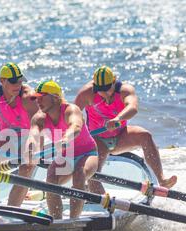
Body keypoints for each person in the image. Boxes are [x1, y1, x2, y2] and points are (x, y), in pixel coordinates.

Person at [75, 66, 177, 194]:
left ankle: (162, 180)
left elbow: (132, 107)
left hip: (120, 136)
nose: (104, 94)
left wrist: (118, 119)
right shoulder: (86, 93)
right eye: (100, 91)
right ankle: (99, 199)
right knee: (94, 173)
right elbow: (72, 114)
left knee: (145, 136)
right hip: (97, 139)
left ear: (114, 81)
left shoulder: (125, 90)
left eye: (107, 89)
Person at [26, 80, 98, 219]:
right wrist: (30, 148)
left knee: (79, 174)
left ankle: (73, 221)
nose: (38, 101)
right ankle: (57, 222)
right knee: (51, 179)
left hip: (88, 153)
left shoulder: (71, 110)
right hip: (66, 156)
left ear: (55, 97)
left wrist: (66, 138)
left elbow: (76, 126)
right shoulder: (39, 118)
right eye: (36, 98)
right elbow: (33, 134)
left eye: (42, 97)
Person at [0, 62, 39, 206]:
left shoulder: (28, 97)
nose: (18, 85)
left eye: (20, 81)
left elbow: (38, 126)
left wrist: (32, 147)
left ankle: (13, 209)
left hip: (29, 136)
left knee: (26, 166)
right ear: (2, 81)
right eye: (13, 82)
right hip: (7, 138)